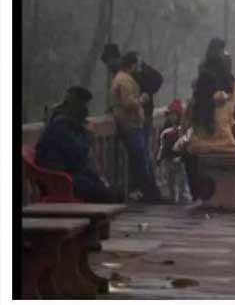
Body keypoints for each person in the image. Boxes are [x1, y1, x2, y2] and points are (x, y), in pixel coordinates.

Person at [35, 86, 119, 203]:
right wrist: (87, 135)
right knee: (110, 195)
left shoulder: (68, 123)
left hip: (70, 176)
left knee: (111, 190)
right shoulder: (61, 126)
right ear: (76, 106)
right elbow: (78, 158)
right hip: (61, 181)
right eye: (84, 105)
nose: (86, 110)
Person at [111, 51, 162, 202]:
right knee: (141, 160)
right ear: (132, 64)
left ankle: (148, 191)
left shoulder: (121, 77)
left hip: (131, 123)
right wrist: (142, 99)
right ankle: (149, 193)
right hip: (130, 124)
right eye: (137, 63)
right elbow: (128, 103)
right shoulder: (125, 80)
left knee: (141, 158)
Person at [157, 99, 189, 204]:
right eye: (170, 114)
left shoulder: (183, 129)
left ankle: (182, 197)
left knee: (181, 179)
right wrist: (159, 157)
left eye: (174, 114)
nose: (172, 117)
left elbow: (185, 142)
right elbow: (161, 144)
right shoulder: (165, 129)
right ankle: (171, 197)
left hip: (179, 158)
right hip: (167, 157)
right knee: (169, 179)